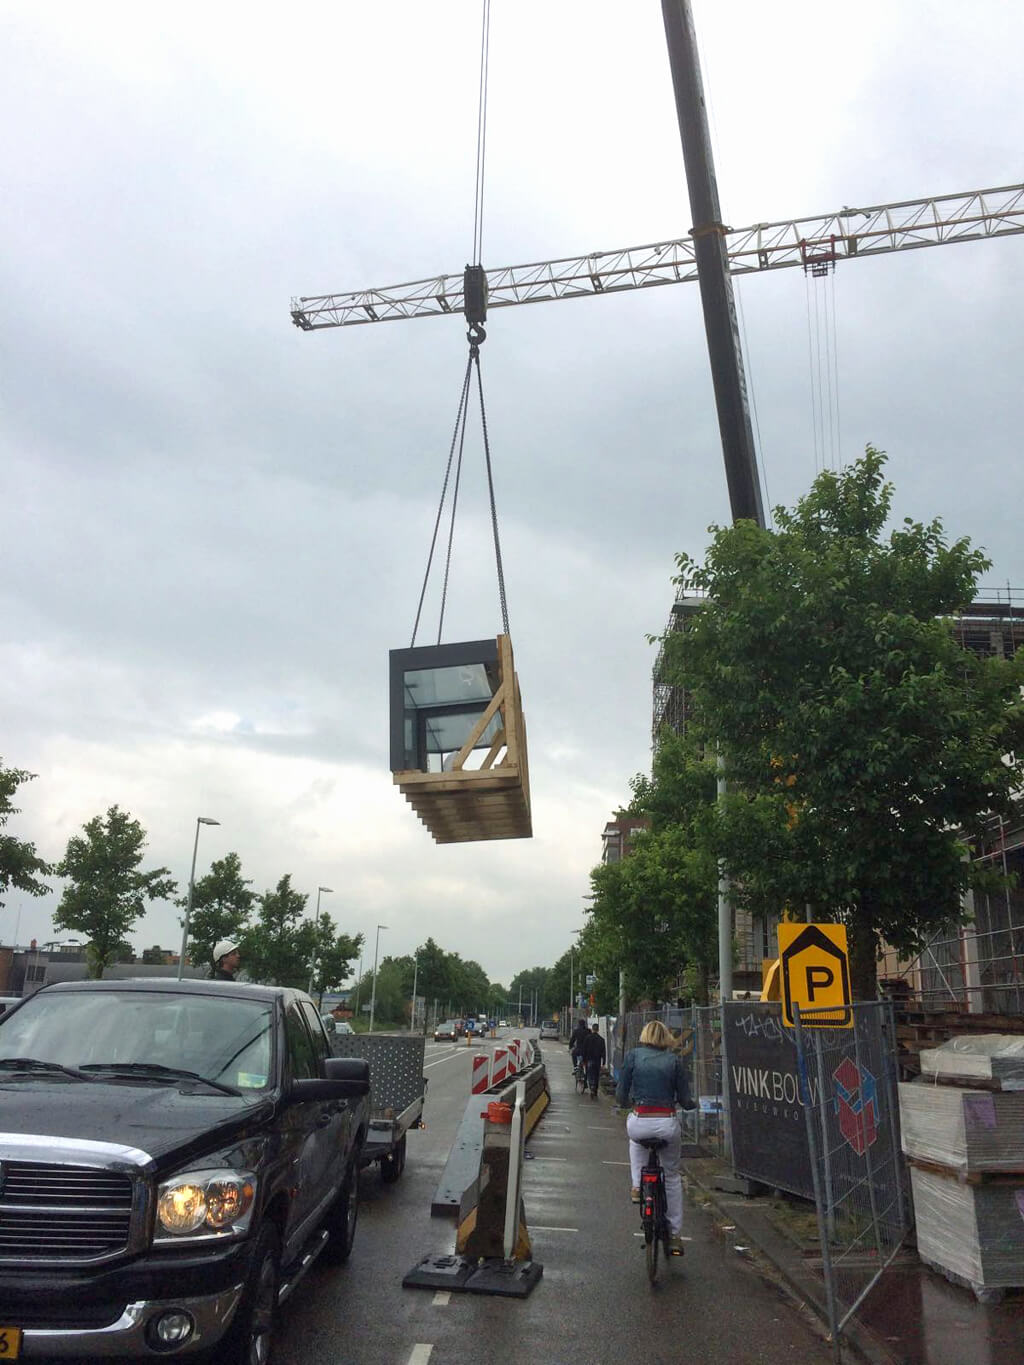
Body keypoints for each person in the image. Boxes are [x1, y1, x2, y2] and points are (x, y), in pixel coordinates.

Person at [615, 1019, 692, 1257]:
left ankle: (638, 1187)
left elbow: (621, 1093)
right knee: (671, 1176)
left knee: (634, 1140)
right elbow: (686, 1099)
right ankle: (675, 1234)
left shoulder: (633, 1056)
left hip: (641, 1121)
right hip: (666, 1124)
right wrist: (690, 1104)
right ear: (666, 1037)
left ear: (645, 1035)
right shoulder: (674, 1060)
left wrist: (628, 1104)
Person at [581, 1021, 606, 1099]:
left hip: (589, 1059)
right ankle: (595, 1090)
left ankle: (591, 1086)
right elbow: (603, 1051)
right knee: (596, 1075)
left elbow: (584, 1049)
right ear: (598, 1030)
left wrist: (583, 1060)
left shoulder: (587, 1038)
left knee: (590, 1074)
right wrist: (604, 1062)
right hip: (597, 1060)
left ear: (592, 1029)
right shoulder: (601, 1040)